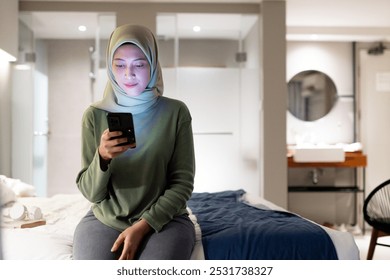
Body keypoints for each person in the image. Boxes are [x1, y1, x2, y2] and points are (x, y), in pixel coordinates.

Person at [73, 24, 196, 260]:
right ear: (110, 67)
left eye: (139, 64)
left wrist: (144, 225)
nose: (128, 74)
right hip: (105, 220)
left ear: (152, 64)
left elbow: (182, 184)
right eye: (119, 65)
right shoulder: (94, 115)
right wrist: (103, 157)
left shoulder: (175, 112)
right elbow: (91, 194)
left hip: (165, 220)